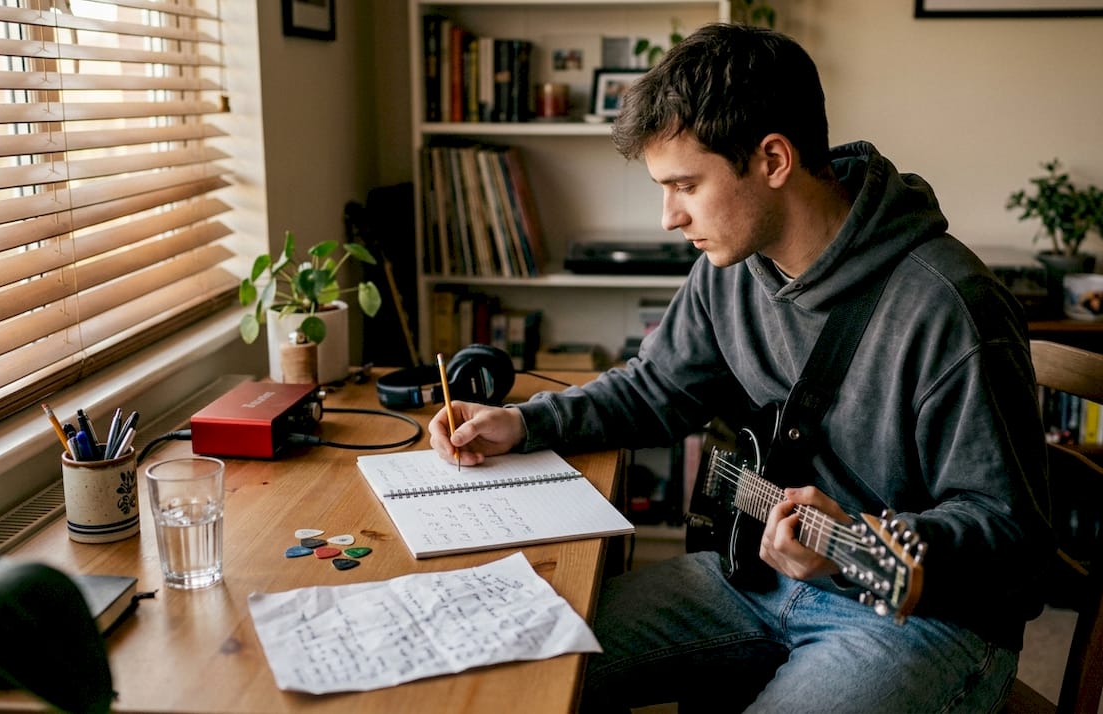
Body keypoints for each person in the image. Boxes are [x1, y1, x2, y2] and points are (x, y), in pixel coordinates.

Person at [429, 22, 1053, 714]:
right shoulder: (728, 268)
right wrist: (521, 422)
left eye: (686, 185)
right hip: (754, 575)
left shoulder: (952, 307)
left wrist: (854, 546)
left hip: (918, 621)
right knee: (523, 660)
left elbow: (1014, 545)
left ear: (774, 160)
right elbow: (657, 388)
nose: (669, 217)